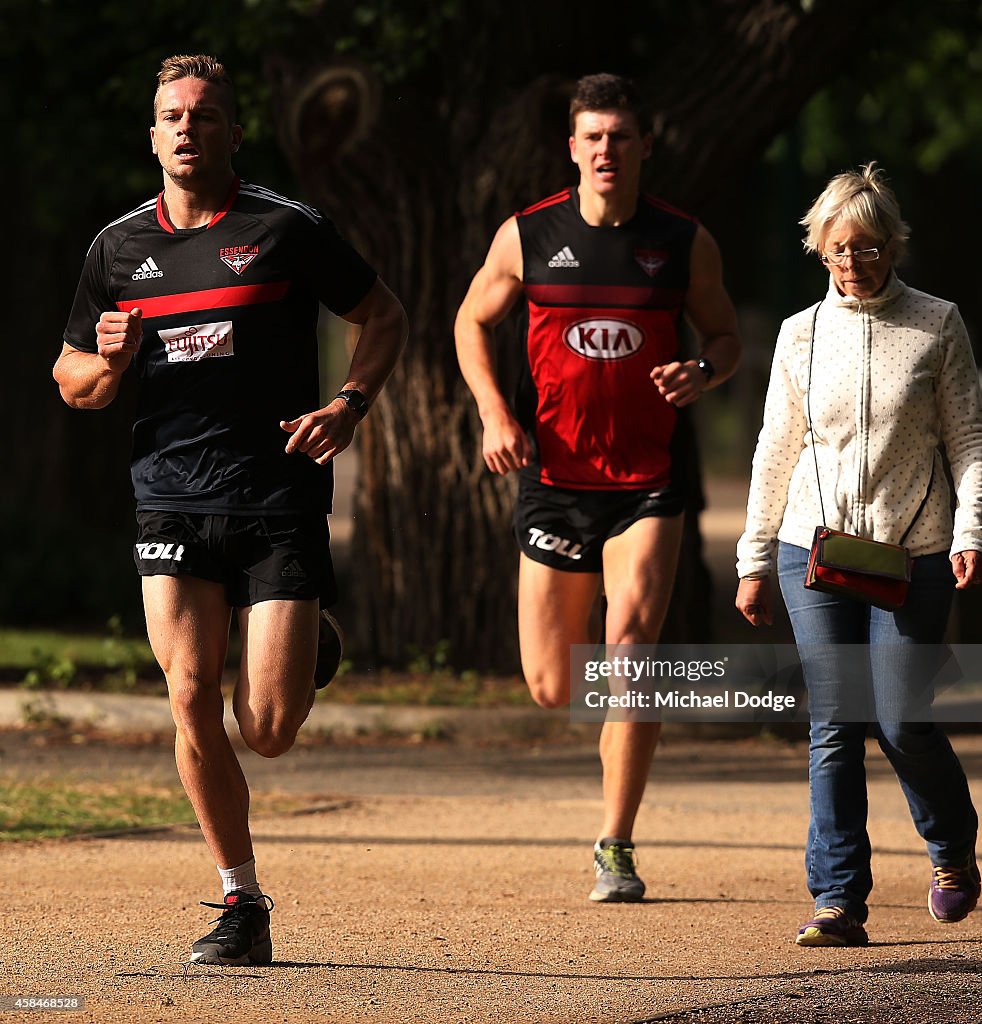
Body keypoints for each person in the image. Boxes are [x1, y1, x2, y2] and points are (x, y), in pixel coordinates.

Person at [53, 54, 407, 964]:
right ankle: (241, 902)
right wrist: (110, 360)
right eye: (171, 116)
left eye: (204, 117)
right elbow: (74, 384)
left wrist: (351, 404)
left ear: (233, 132)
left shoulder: (284, 229)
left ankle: (305, 638)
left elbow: (384, 313)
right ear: (153, 134)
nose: (186, 130)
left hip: (279, 491)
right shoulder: (117, 249)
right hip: (169, 495)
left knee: (270, 732)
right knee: (185, 697)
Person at [455, 73, 740, 902]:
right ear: (572, 147)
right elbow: (472, 320)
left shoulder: (684, 241)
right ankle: (612, 736)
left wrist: (703, 370)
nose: (607, 151)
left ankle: (616, 842)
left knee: (631, 656)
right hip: (554, 477)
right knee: (552, 684)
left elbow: (723, 336)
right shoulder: (529, 236)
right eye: (593, 137)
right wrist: (493, 412)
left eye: (621, 136)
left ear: (645, 146)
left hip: (651, 481)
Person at [736, 163, 981, 946]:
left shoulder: (938, 324)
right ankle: (838, 900)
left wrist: (971, 533)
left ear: (893, 244)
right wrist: (752, 555)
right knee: (836, 719)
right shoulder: (799, 334)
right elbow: (775, 448)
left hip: (915, 551)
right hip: (816, 548)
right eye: (840, 248)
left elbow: (970, 442)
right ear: (819, 248)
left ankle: (951, 852)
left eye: (870, 247)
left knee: (902, 717)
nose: (855, 262)